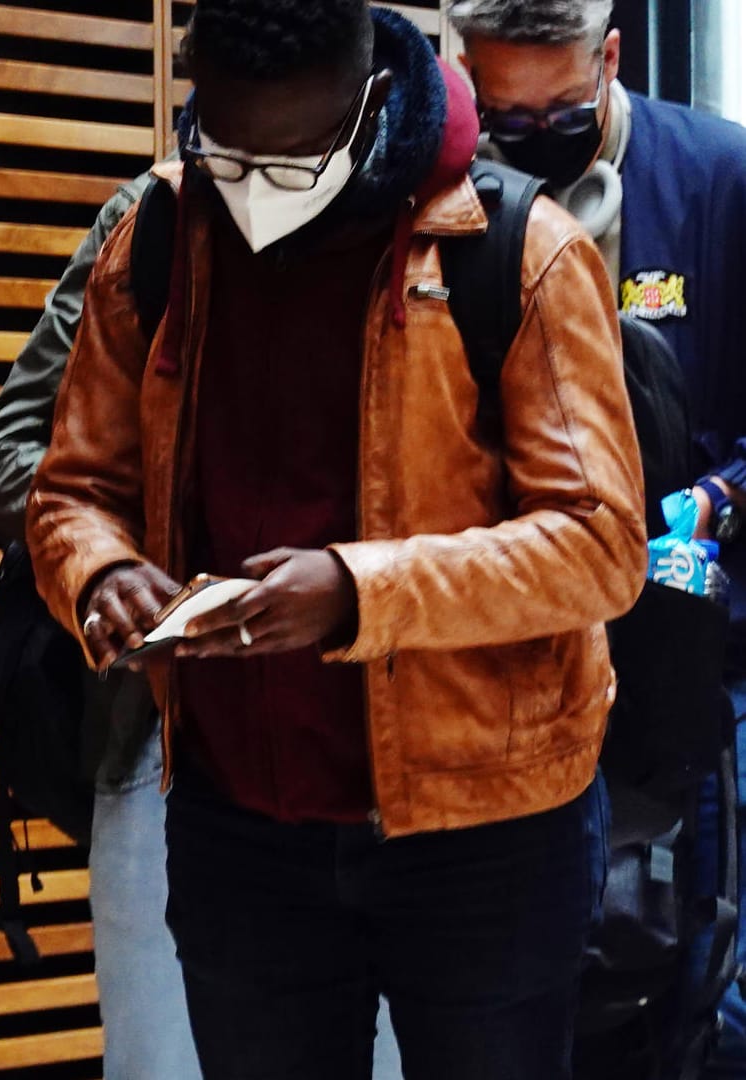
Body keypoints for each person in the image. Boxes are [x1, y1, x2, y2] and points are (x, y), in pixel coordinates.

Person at [25, 1, 646, 1077]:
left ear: (368, 106)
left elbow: (599, 543)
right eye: (226, 149)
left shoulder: (517, 248)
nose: (254, 184)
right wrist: (101, 570)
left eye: (292, 157)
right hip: (238, 824)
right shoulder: (164, 235)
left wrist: (360, 594)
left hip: (485, 837)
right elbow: (72, 483)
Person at [448, 2, 746, 1069]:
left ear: (612, 57)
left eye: (561, 108)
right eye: (502, 115)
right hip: (514, 668)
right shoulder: (446, 201)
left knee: (691, 987)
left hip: (693, 654)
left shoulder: (717, 177)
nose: (529, 132)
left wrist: (716, 499)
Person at [0, 172, 203, 1080]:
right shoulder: (156, 219)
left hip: (387, 758)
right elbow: (13, 453)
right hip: (165, 734)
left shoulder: (430, 219)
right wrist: (110, 560)